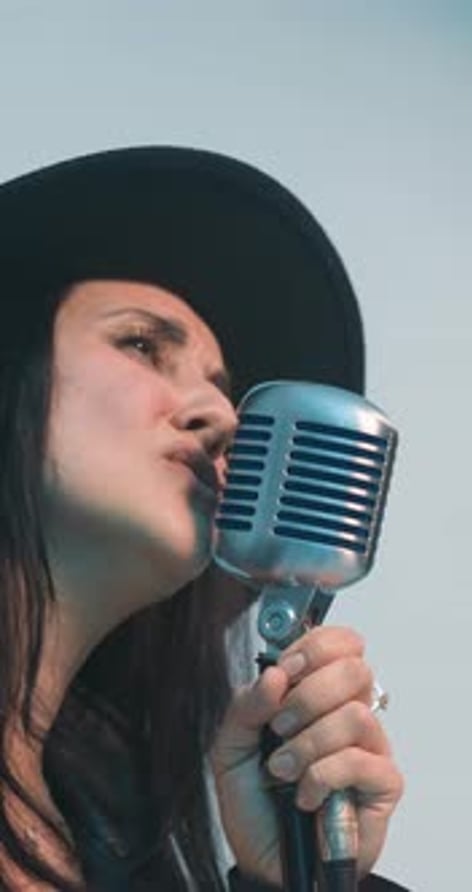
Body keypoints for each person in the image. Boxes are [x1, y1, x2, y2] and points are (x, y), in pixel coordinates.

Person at [0, 147, 409, 891]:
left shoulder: (121, 841)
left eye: (225, 389)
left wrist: (293, 877)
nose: (222, 416)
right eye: (141, 345)